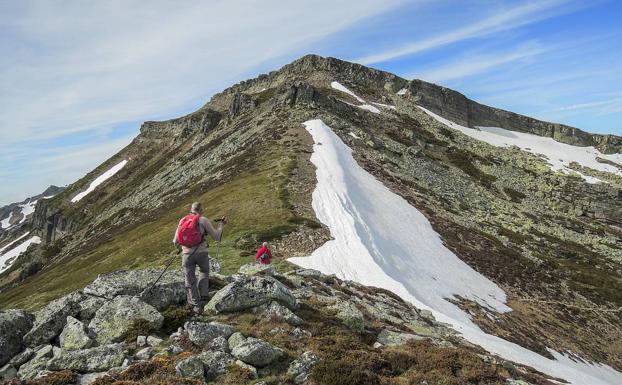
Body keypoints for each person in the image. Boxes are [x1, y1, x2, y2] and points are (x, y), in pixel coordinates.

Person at [173, 202, 227, 315]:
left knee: (189, 279)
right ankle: (204, 298)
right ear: (201, 210)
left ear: (191, 209)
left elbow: (175, 241)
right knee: (203, 272)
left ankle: (195, 307)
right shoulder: (203, 220)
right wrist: (221, 225)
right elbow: (216, 237)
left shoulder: (183, 220)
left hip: (187, 255)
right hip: (202, 253)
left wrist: (184, 248)